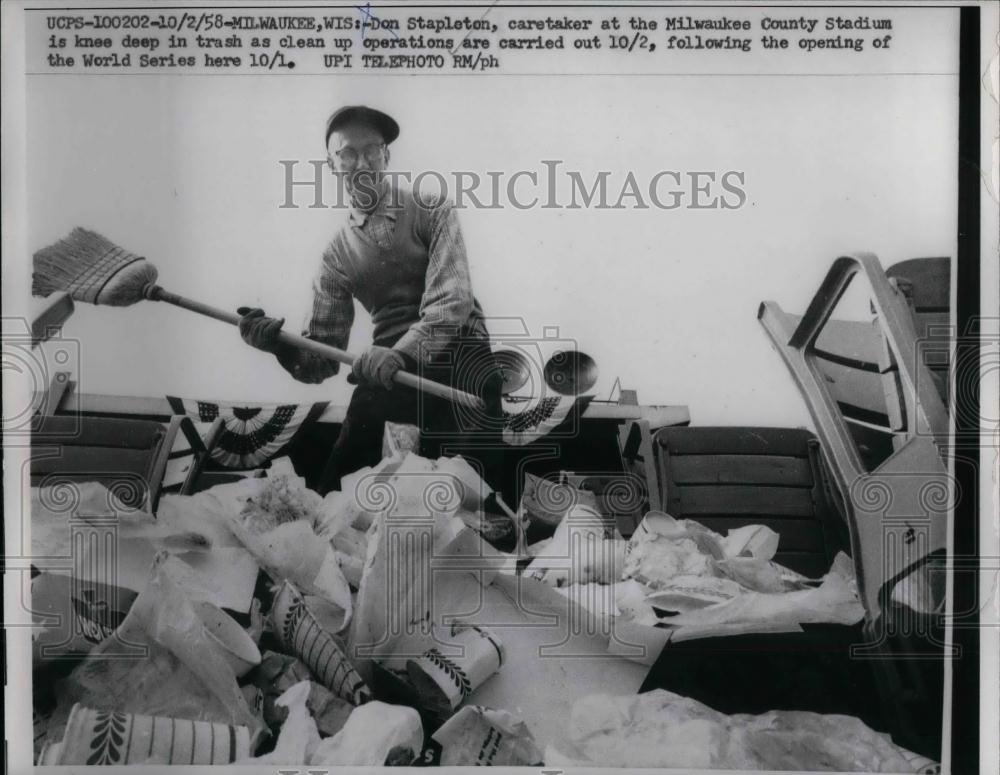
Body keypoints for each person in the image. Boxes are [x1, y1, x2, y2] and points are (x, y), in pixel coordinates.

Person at [239, 105, 504, 496]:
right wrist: (277, 346)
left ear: (387, 155)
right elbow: (322, 359)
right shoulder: (334, 257)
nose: (361, 162)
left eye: (371, 150)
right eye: (347, 153)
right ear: (331, 165)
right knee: (338, 492)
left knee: (478, 496)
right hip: (386, 376)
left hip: (460, 358)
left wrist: (400, 353)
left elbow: (452, 302)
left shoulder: (434, 210)